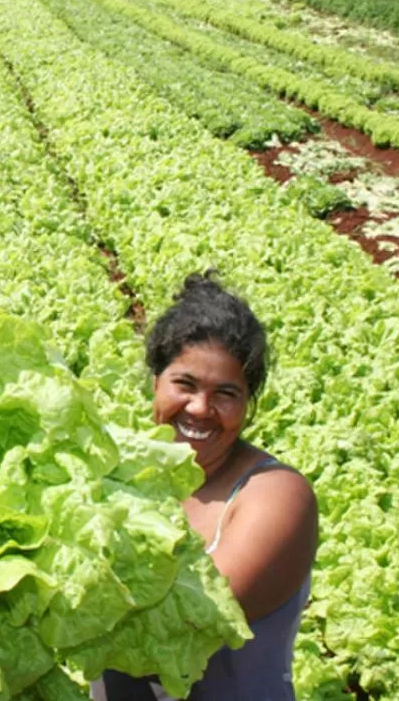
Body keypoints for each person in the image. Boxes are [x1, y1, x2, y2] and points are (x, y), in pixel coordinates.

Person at [94, 272, 318, 701]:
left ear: (248, 403)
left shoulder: (276, 495)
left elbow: (194, 618)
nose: (199, 408)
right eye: (185, 384)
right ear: (156, 381)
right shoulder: (123, 470)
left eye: (226, 393)